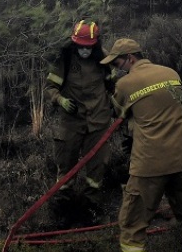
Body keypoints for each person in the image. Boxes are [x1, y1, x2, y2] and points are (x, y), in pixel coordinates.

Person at [101, 38, 182, 252]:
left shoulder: (125, 84)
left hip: (149, 164)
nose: (117, 69)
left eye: (117, 64)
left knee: (132, 223)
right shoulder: (171, 74)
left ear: (130, 58)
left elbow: (116, 112)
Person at [44, 20, 116, 223]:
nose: (84, 50)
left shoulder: (104, 59)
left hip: (98, 121)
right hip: (71, 122)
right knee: (66, 166)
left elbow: (114, 87)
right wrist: (61, 100)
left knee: (97, 167)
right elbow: (49, 88)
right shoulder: (65, 59)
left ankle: (90, 208)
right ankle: (62, 210)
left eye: (88, 47)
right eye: (80, 46)